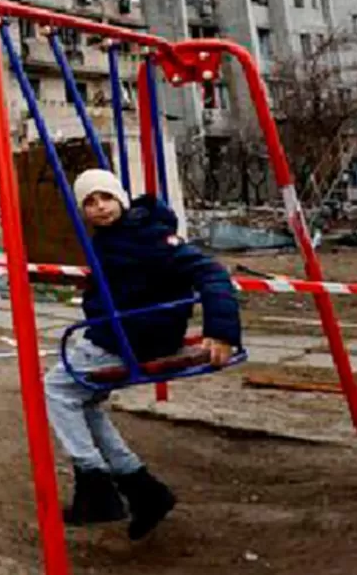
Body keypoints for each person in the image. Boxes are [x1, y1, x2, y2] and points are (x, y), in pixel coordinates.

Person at [45, 168, 242, 540]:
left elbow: (212, 273)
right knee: (84, 402)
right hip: (125, 333)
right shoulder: (115, 236)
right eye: (90, 202)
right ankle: (142, 489)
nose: (100, 207)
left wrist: (221, 331)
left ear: (120, 197)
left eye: (105, 197)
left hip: (132, 339)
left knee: (54, 388)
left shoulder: (148, 236)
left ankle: (96, 485)